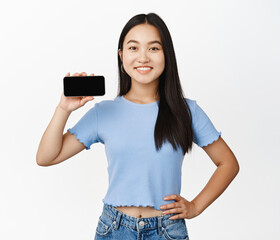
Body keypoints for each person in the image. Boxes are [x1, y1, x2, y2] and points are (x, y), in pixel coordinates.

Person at [36, 12, 239, 240]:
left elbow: (228, 163)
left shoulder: (186, 111)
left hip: (167, 230)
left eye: (153, 48)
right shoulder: (103, 113)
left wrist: (195, 206)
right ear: (121, 56)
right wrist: (63, 109)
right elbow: (46, 157)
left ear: (166, 55)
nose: (143, 57)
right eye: (133, 48)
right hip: (114, 229)